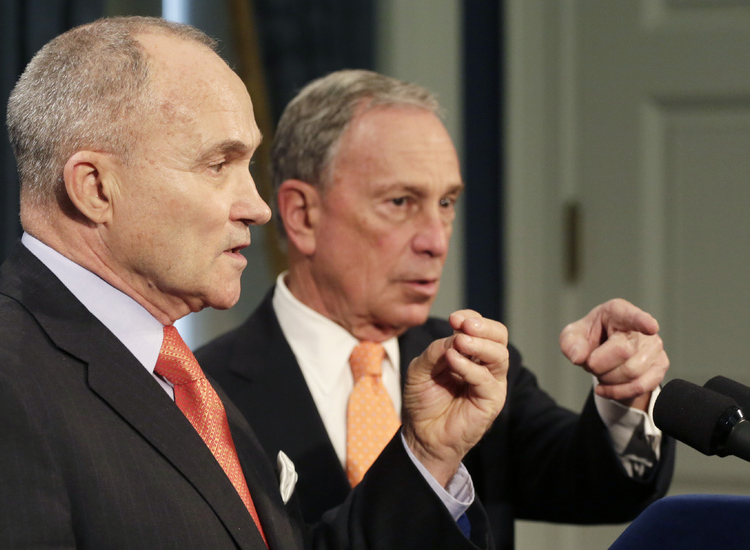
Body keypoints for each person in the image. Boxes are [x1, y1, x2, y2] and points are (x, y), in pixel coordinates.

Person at [0, 19, 509, 549]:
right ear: (96, 187)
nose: (258, 208)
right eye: (219, 163)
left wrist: (424, 453)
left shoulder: (175, 371)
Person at [196, 69, 676, 550]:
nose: (435, 240)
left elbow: (598, 486)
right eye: (401, 201)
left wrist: (623, 398)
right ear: (303, 215)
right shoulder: (203, 392)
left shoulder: (468, 364)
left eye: (446, 202)